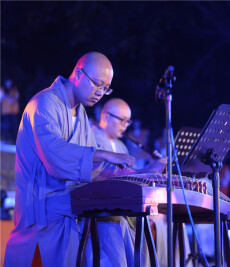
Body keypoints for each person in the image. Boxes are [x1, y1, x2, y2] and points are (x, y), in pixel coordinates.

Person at [4, 52, 137, 266]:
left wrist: (135, 176)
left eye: (106, 88)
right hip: (42, 208)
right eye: (97, 84)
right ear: (77, 73)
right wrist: (102, 154)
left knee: (118, 219)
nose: (100, 93)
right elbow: (56, 155)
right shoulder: (44, 103)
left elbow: (92, 169)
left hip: (68, 203)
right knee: (111, 221)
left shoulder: (80, 114)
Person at [92, 98, 191, 267]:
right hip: (107, 202)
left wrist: (154, 169)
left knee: (173, 220)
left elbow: (131, 176)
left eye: (127, 121)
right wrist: (151, 169)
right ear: (106, 116)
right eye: (121, 120)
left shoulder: (121, 146)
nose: (125, 125)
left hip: (125, 202)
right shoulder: (92, 138)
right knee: (153, 221)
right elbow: (110, 176)